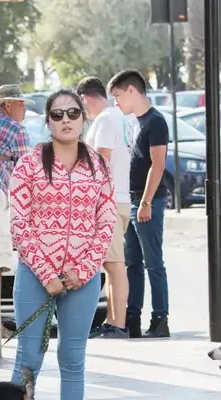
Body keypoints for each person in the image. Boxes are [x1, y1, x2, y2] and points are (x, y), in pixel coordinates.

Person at [4, 89, 115, 400]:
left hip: (83, 279)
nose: (65, 119)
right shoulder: (31, 164)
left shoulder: (98, 167)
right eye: (57, 114)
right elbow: (20, 222)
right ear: (47, 121)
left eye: (72, 113)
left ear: (83, 118)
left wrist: (82, 271)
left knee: (73, 360)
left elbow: (106, 222)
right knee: (28, 359)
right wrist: (47, 274)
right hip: (36, 276)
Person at [109, 69, 169, 338]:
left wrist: (146, 203)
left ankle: (160, 318)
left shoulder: (155, 122)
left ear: (132, 91)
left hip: (149, 201)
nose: (116, 102)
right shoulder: (134, 121)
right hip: (131, 199)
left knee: (153, 262)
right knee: (131, 262)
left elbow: (158, 165)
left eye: (119, 95)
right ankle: (132, 316)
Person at [76, 76, 134, 339]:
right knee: (112, 263)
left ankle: (117, 323)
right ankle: (113, 320)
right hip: (119, 197)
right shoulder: (121, 119)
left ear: (86, 97)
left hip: (106, 199)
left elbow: (99, 162)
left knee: (114, 264)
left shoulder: (105, 120)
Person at [0, 84, 33, 194]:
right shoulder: (17, 129)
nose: (25, 109)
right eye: (21, 105)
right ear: (7, 105)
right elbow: (25, 171)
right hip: (3, 196)